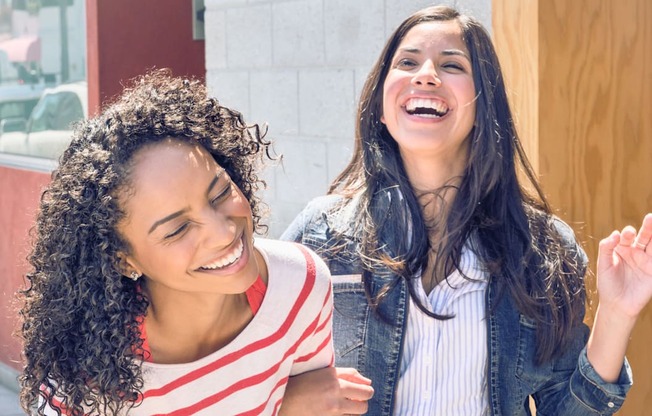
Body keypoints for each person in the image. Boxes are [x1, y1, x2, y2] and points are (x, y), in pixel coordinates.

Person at [281, 5, 652, 415]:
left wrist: (617, 313)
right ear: (382, 109)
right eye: (407, 62)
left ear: (483, 105)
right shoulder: (320, 235)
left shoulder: (541, 250)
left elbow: (565, 409)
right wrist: (288, 398)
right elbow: (243, 367)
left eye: (451, 64)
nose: (425, 74)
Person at [18, 70, 335, 415]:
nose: (224, 232)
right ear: (124, 260)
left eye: (221, 192)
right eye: (177, 229)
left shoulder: (300, 284)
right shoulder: (89, 381)